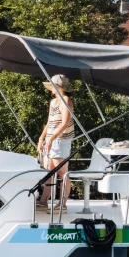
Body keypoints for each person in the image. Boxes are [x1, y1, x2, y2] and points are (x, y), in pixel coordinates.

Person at [37, 74, 74, 211]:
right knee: (49, 172)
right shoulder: (53, 102)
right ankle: (43, 201)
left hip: (61, 140)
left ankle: (62, 204)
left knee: (62, 173)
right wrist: (42, 138)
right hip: (51, 140)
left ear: (58, 86)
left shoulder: (66, 100)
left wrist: (51, 139)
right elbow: (49, 122)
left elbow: (64, 124)